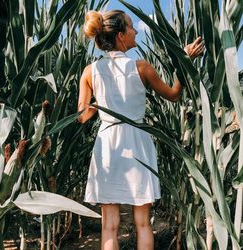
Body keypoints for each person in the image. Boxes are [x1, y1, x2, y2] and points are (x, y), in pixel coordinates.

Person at [77, 9, 204, 250]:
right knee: (143, 223)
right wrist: (183, 60)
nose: (136, 31)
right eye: (131, 27)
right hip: (137, 142)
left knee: (109, 226)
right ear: (121, 35)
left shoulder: (90, 72)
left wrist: (102, 99)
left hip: (108, 146)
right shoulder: (142, 67)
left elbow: (83, 117)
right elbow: (174, 95)